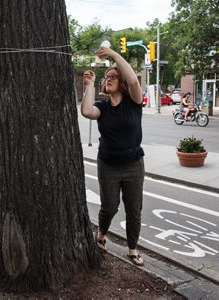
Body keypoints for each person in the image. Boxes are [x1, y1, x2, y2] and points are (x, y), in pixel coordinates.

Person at [81, 46, 145, 266]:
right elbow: (87, 112)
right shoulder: (103, 107)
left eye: (113, 77)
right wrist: (89, 86)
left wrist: (114, 55)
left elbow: (135, 83)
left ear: (122, 83)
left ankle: (132, 249)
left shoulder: (134, 103)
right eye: (106, 77)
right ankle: (101, 235)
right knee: (109, 206)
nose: (108, 79)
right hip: (108, 164)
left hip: (134, 165)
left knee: (133, 209)